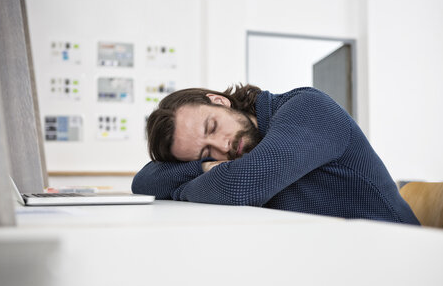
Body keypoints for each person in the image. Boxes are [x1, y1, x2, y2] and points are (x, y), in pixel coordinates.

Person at [132, 84, 420, 225]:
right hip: (329, 260)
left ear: (220, 101)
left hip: (393, 258)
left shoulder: (308, 108)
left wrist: (188, 183)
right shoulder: (231, 158)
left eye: (213, 126)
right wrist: (206, 170)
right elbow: (144, 182)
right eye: (205, 153)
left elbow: (238, 187)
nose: (222, 147)